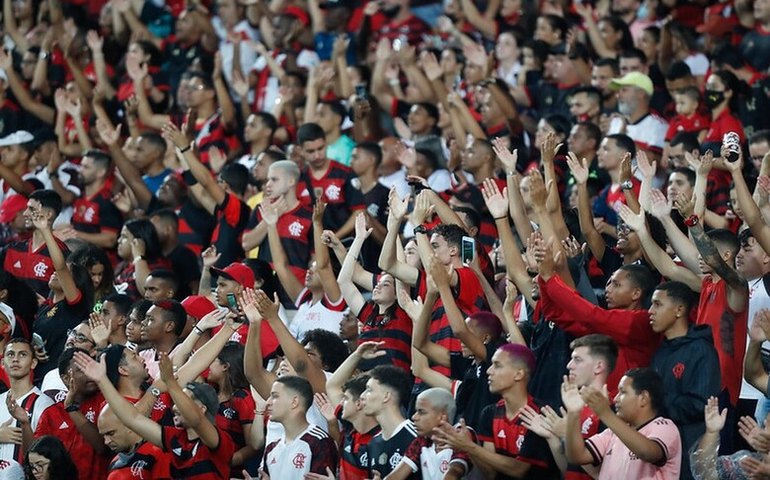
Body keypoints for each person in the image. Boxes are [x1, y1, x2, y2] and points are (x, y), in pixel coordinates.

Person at [74, 350, 236, 479]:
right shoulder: (175, 438)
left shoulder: (222, 442)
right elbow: (132, 418)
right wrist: (102, 380)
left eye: (182, 401)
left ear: (201, 408)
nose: (174, 407)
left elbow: (197, 420)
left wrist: (170, 383)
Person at [432, 343, 560, 479]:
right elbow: (490, 473)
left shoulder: (538, 414)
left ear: (518, 374)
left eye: (497, 365)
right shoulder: (489, 413)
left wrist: (470, 446)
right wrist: (466, 447)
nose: (489, 371)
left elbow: (519, 470)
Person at [647, 281, 720, 480]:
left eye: (657, 304)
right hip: (660, 448)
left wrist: (653, 402)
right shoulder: (660, 351)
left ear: (679, 310)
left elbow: (700, 404)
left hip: (687, 453)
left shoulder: (702, 351)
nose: (650, 311)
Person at [563, 368, 682, 479]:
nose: (615, 399)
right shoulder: (612, 433)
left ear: (643, 398)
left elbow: (647, 453)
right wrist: (573, 414)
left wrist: (605, 413)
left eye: (622, 392)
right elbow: (576, 456)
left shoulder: (665, 427)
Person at [261, 376, 339, 477]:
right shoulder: (271, 448)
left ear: (294, 402)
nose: (268, 402)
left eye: (275, 396)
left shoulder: (319, 442)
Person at [0, 338, 54, 464]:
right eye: (10, 354)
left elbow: (45, 454)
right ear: (2, 363)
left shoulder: (45, 404)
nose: (15, 359)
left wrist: (25, 425)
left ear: (33, 363)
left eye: (22, 354)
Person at [361, 365, 418, 479]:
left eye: (369, 390)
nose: (362, 396)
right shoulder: (373, 443)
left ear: (386, 396)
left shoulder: (415, 437)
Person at [97, 404, 173, 479]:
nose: (106, 441)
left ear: (128, 425)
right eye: (104, 436)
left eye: (111, 433)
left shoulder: (159, 453)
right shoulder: (114, 463)